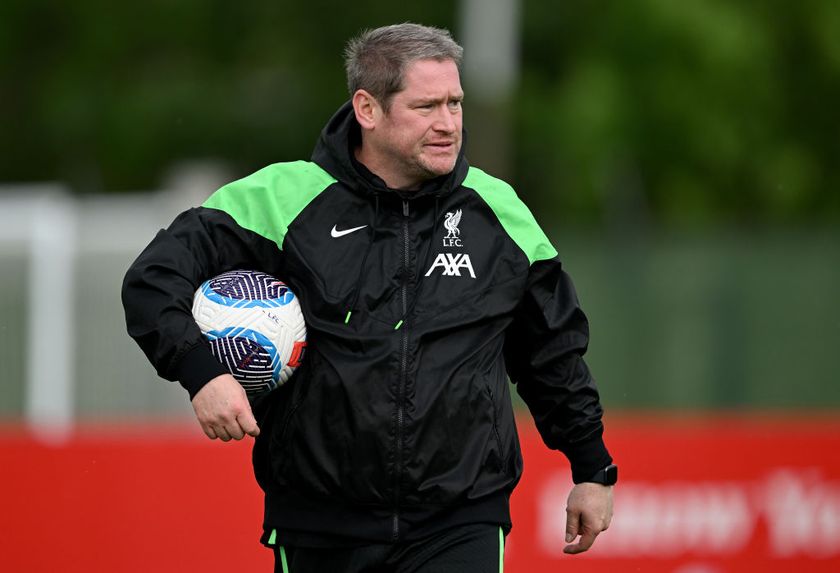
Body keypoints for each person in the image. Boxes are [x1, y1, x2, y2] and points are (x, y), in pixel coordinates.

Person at [122, 22, 616, 573]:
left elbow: (551, 353)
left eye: (455, 103)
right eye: (426, 106)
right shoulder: (281, 199)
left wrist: (592, 469)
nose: (448, 123)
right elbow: (152, 278)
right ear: (367, 109)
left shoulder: (499, 211)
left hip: (460, 521)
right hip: (319, 523)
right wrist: (203, 372)